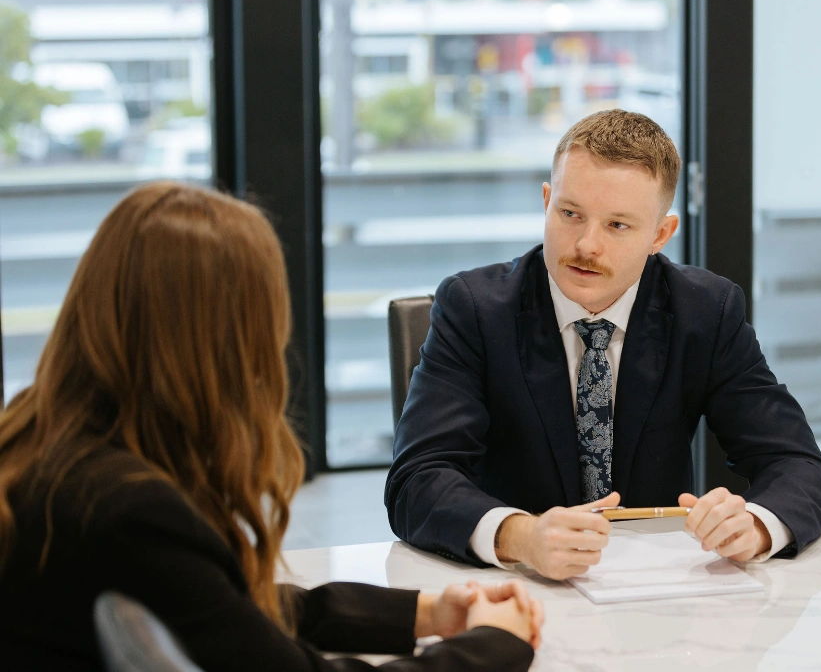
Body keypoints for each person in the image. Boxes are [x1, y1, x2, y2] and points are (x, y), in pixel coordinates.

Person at [0, 182, 542, 671]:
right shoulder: (128, 509)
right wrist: (493, 646)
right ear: (223, 346)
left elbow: (217, 606)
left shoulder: (47, 438)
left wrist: (425, 613)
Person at [386, 110, 821, 581]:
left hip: (657, 590)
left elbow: (799, 464)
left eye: (617, 225)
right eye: (570, 214)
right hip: (513, 585)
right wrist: (521, 535)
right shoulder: (475, 309)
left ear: (660, 235)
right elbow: (416, 480)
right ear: (546, 202)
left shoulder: (704, 311)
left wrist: (757, 526)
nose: (586, 245)